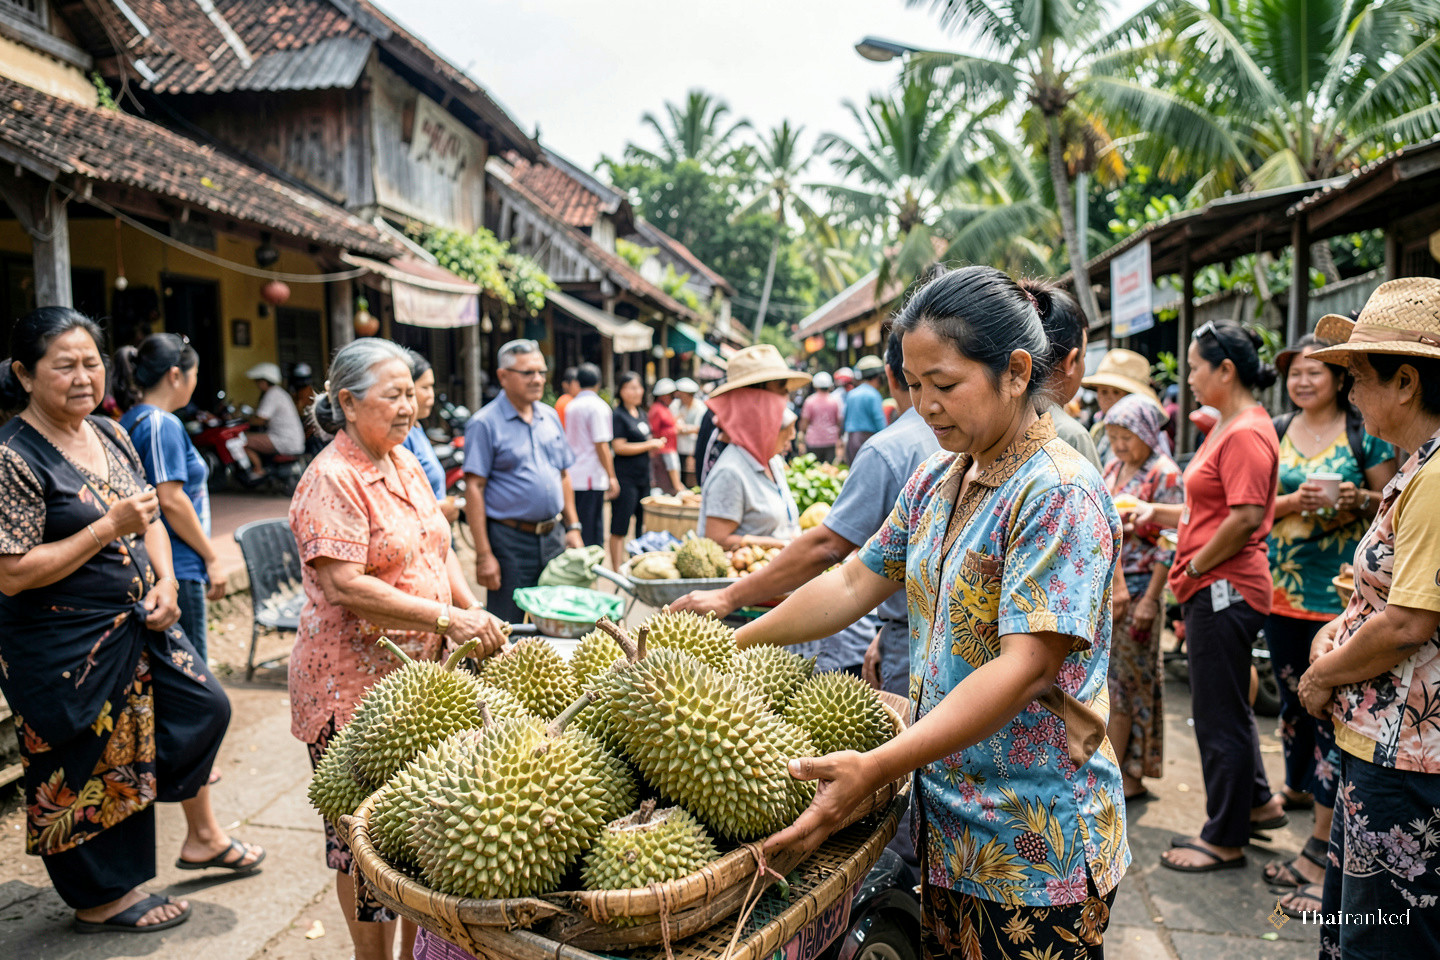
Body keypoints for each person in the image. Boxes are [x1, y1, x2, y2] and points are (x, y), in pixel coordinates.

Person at [743, 266, 1127, 956]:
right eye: (915, 386)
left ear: (1014, 372)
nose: (925, 405)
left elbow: (1025, 670)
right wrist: (738, 639)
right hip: (947, 825)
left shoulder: (1060, 492)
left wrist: (879, 764)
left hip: (1034, 844)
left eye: (945, 385)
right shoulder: (937, 479)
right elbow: (855, 582)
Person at [0, 308, 262, 935]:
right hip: (62, 645)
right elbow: (11, 572)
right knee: (83, 765)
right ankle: (100, 897)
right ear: (23, 374)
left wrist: (168, 580)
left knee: (205, 707)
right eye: (63, 365)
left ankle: (160, 824)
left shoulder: (112, 434)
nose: (83, 376)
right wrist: (103, 529)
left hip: (138, 624)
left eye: (91, 361)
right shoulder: (13, 455)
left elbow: (149, 519)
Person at [289, 338, 507, 960]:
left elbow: (436, 551)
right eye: (393, 396)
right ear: (348, 403)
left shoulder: (405, 460)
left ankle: (418, 952)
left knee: (416, 833)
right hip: (353, 689)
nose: (408, 406)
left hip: (422, 685)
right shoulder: (332, 478)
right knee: (362, 843)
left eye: (411, 393)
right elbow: (344, 584)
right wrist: (447, 617)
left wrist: (469, 613)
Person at [1285, 280, 1440, 954]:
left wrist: (1321, 677)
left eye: (1358, 378)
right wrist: (1337, 633)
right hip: (1383, 742)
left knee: (1381, 940)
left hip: (1402, 752)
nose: (1350, 394)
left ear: (1404, 382)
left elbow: (1409, 623)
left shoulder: (1433, 478)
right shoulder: (1418, 469)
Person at [1129, 320, 1286, 872]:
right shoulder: (1231, 425)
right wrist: (1162, 515)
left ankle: (1224, 838)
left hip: (1223, 587)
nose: (1188, 376)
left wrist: (1193, 566)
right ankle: (1258, 802)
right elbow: (1212, 508)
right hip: (1216, 582)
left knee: (1217, 712)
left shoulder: (1244, 432)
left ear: (1226, 370)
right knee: (1229, 706)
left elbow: (1244, 518)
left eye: (1195, 366)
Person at [1262, 334, 1396, 913]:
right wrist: (1294, 505)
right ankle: (1314, 822)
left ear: (1339, 379)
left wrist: (1351, 499)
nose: (1303, 380)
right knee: (1294, 710)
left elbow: (1386, 498)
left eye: (1315, 370)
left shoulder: (1361, 431)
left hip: (1340, 597)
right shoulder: (1273, 428)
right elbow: (1254, 502)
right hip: (1280, 593)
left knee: (1332, 719)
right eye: (1294, 371)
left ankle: (1321, 845)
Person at [114, 334, 229, 664]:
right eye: (194, 374)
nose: (195, 382)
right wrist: (212, 557)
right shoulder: (160, 423)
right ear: (175, 375)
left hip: (154, 562)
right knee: (192, 673)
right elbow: (172, 499)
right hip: (177, 564)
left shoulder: (132, 419)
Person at [463, 340, 585, 624]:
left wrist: (573, 527)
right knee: (508, 625)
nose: (538, 379)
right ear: (503, 376)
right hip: (510, 541)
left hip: (553, 537)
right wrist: (484, 555)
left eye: (541, 371)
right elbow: (474, 488)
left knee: (558, 619)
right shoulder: (484, 423)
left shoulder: (550, 416)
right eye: (528, 373)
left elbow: (563, 474)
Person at [1102, 394, 1184, 802]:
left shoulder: (1165, 474)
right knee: (1115, 684)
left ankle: (1125, 775)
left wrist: (1152, 598)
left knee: (1130, 685)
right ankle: (1120, 772)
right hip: (1112, 588)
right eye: (1113, 436)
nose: (1118, 445)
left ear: (1149, 434)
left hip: (1140, 589)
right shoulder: (1116, 467)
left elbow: (1171, 544)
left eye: (1126, 437)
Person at [697, 349, 812, 551]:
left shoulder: (772, 461)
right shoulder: (730, 472)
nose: (786, 399)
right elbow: (715, 541)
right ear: (754, 400)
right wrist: (782, 545)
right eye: (781, 390)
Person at [695, 345, 809, 483]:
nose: (784, 396)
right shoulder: (728, 469)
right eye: (780, 389)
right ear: (753, 394)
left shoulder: (772, 460)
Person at [609, 372, 665, 571]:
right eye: (632, 387)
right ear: (621, 390)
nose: (637, 391)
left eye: (639, 387)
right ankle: (616, 567)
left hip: (644, 477)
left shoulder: (641, 413)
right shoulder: (618, 415)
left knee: (642, 523)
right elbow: (619, 447)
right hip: (626, 477)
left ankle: (637, 564)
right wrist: (649, 444)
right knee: (620, 524)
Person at [400, 350, 460, 524]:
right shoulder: (403, 435)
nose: (431, 395)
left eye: (432, 387)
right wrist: (437, 511)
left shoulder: (417, 427)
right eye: (424, 387)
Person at [563, 363, 618, 549]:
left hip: (573, 474)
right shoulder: (599, 407)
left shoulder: (572, 406)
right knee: (592, 531)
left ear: (577, 382)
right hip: (590, 475)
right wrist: (611, 476)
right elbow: (601, 445)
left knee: (578, 525)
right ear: (598, 383)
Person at [1083, 348, 1163, 466]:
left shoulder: (1144, 435)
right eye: (1104, 392)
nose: (1108, 398)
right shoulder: (1099, 429)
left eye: (1116, 392)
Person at [243, 361, 305, 478]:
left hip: (283, 440)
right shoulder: (279, 393)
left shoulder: (272, 394)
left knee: (240, 440)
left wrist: (244, 421)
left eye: (258, 381)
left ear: (264, 381)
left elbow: (261, 419)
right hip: (292, 439)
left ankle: (257, 470)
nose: (257, 384)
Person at [843, 355, 887, 462]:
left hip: (852, 440)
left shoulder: (851, 394)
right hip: (868, 439)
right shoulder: (874, 395)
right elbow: (879, 420)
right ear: (877, 377)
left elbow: (844, 418)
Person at [799, 371, 842, 463]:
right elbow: (839, 422)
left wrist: (801, 438)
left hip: (813, 441)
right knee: (829, 470)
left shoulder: (810, 401)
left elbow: (804, 422)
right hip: (831, 440)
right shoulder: (834, 401)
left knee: (814, 469)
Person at [672, 377, 706, 489]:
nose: (680, 398)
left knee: (692, 478)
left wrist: (683, 429)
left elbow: (699, 429)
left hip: (692, 449)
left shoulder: (700, 407)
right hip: (678, 447)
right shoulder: (677, 405)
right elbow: (672, 424)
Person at [649, 377, 682, 494]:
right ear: (664, 395)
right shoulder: (657, 409)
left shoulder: (665, 408)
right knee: (671, 468)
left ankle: (677, 487)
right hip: (664, 449)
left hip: (670, 447)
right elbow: (654, 430)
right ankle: (677, 487)